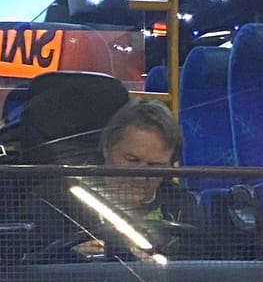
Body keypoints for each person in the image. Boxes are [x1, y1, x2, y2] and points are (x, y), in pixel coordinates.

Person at [78, 97, 202, 253]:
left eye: (155, 166)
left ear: (171, 165)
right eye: (132, 160)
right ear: (106, 147)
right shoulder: (61, 199)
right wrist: (71, 259)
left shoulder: (183, 208)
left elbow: (198, 269)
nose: (140, 177)